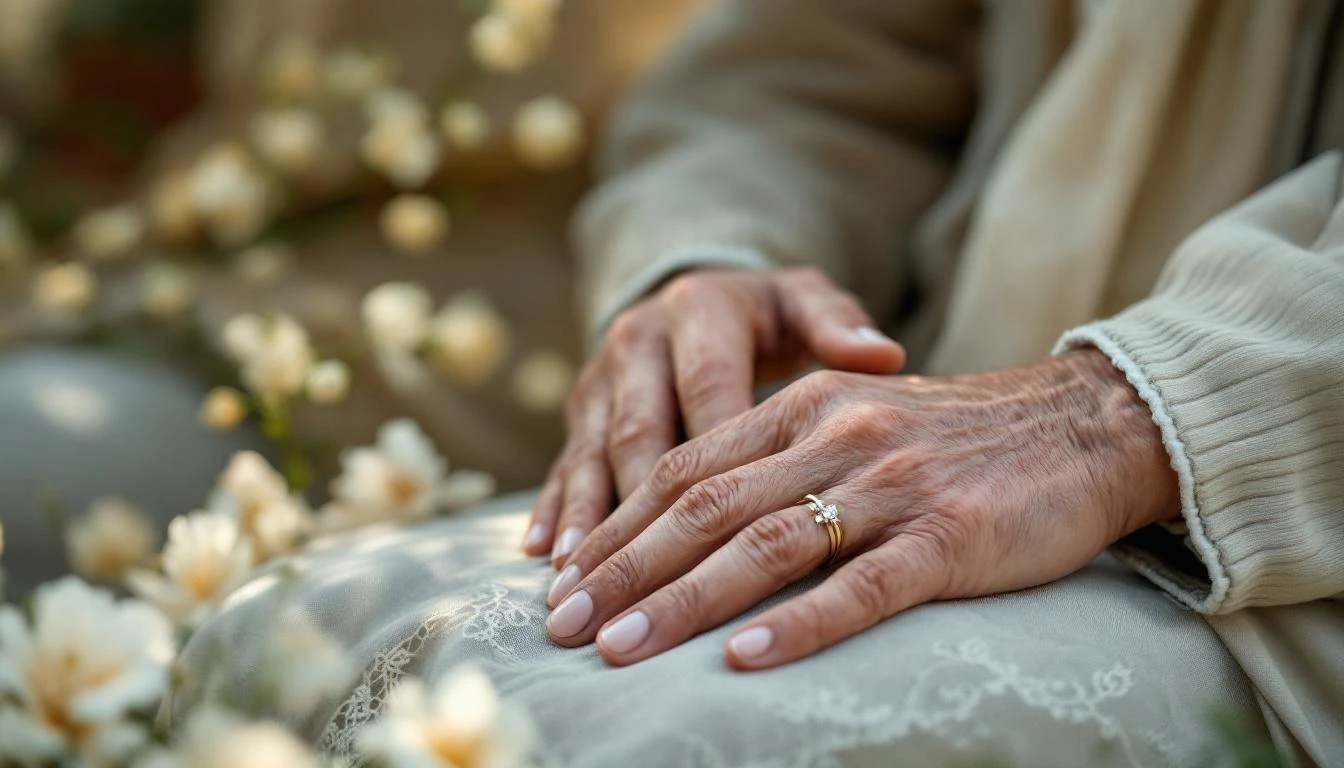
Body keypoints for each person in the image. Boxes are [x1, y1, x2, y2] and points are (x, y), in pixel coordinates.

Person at [175, 1, 1344, 765]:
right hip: (921, 410)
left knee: (662, 739)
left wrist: (1121, 419)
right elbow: (797, 70)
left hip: (1287, 544)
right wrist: (715, 256)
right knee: (286, 626)